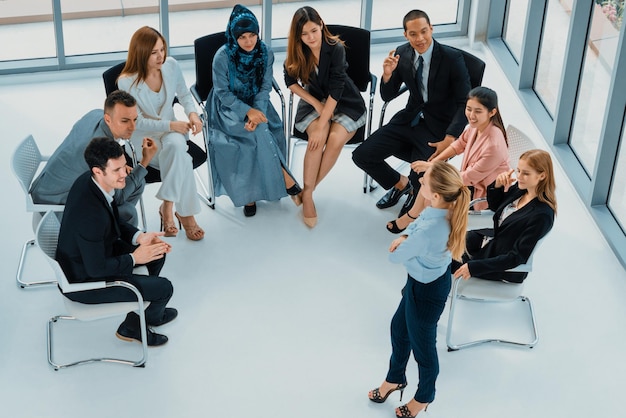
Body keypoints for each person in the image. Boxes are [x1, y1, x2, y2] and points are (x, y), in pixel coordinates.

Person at [368, 161, 470, 417]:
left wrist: (400, 244)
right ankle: (395, 379)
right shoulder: (437, 210)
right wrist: (405, 237)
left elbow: (396, 257)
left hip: (426, 292)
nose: (420, 182)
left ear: (435, 194)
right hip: (421, 283)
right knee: (398, 328)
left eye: (423, 182)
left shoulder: (431, 229)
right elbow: (414, 228)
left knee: (424, 350)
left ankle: (424, 397)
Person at [56, 137, 177, 346]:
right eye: (117, 170)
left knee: (157, 251)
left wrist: (139, 237)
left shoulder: (91, 182)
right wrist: (134, 257)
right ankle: (133, 327)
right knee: (164, 288)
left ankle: (149, 314)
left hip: (99, 252)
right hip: (86, 281)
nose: (124, 173)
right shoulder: (89, 217)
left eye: (123, 166)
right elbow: (96, 269)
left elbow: (113, 219)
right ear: (98, 171)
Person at [352, 9, 471, 218]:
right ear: (406, 35)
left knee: (421, 177)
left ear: (431, 29)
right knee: (362, 155)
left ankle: (415, 191)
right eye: (413, 34)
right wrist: (387, 75)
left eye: (424, 31)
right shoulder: (402, 53)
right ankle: (401, 185)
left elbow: (465, 103)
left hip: (437, 128)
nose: (420, 39)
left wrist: (450, 139)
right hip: (409, 119)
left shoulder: (452, 59)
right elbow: (387, 95)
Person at [207, 4, 301, 217]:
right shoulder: (222, 57)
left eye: (252, 35)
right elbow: (223, 94)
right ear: (234, 37)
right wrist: (246, 112)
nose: (248, 41)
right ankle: (281, 179)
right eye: (242, 37)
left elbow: (265, 87)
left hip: (258, 103)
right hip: (228, 109)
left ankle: (260, 190)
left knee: (263, 130)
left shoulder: (266, 51)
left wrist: (256, 112)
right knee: (254, 136)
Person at [118, 26, 204, 240]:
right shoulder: (126, 81)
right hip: (146, 140)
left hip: (170, 134)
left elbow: (184, 94)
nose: (161, 56)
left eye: (162, 49)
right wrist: (171, 126)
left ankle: (167, 205)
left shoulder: (171, 66)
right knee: (181, 158)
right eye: (154, 52)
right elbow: (136, 121)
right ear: (141, 54)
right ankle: (187, 216)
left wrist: (192, 114)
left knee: (176, 146)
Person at [284, 6, 367, 228]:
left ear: (321, 24)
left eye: (313, 30)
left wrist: (324, 123)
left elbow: (337, 89)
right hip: (316, 100)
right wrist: (315, 105)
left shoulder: (336, 48)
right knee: (315, 141)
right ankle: (308, 197)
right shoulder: (297, 51)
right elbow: (290, 81)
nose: (310, 38)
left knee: (333, 139)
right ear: (298, 35)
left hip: (345, 101)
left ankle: (307, 191)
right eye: (304, 34)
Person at [387, 86, 510, 233]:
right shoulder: (477, 126)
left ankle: (415, 221)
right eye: (469, 109)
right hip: (469, 180)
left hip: (482, 193)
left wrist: (433, 168)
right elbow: (459, 144)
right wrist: (433, 162)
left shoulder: (493, 146)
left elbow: (469, 177)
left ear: (492, 112)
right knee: (431, 180)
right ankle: (415, 220)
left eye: (478, 111)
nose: (471, 115)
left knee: (433, 187)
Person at [29, 90, 156, 226]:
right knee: (128, 212)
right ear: (108, 119)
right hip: (56, 205)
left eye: (135, 119)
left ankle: (114, 230)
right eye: (125, 121)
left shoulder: (95, 114)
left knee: (137, 182)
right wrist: (144, 162)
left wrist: (118, 168)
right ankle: (116, 235)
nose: (132, 127)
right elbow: (118, 198)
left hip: (46, 188)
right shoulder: (101, 150)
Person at [453, 149, 557, 283]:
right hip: (488, 241)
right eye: (518, 170)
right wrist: (497, 186)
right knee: (443, 245)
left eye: (525, 173)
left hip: (497, 263)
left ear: (542, 176)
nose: (519, 176)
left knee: (440, 262)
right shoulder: (521, 190)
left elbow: (517, 257)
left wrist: (474, 267)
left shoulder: (542, 215)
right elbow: (496, 208)